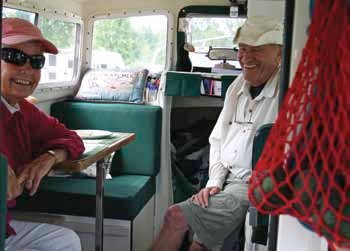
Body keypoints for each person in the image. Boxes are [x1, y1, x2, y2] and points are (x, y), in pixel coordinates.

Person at [150, 16, 283, 251]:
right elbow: (219, 139)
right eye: (243, 49)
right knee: (199, 241)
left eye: (257, 50)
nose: (246, 57)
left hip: (253, 184)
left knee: (176, 217)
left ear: (279, 55)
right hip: (228, 179)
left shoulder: (287, 92)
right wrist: (215, 181)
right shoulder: (237, 86)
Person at [1, 17, 85, 251]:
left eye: (36, 61)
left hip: (4, 227)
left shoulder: (23, 110)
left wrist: (50, 155)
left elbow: (72, 139)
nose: (26, 69)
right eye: (14, 57)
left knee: (66, 241)